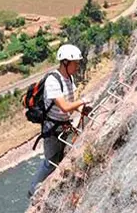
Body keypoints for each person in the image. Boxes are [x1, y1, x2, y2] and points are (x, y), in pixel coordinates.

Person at [29, 44, 90, 197]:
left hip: (63, 126)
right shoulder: (52, 81)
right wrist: (82, 101)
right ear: (65, 62)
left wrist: (82, 110)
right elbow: (64, 106)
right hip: (52, 130)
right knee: (50, 163)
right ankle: (33, 192)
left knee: (63, 158)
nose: (77, 66)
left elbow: (71, 102)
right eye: (75, 63)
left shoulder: (68, 78)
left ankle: (55, 189)